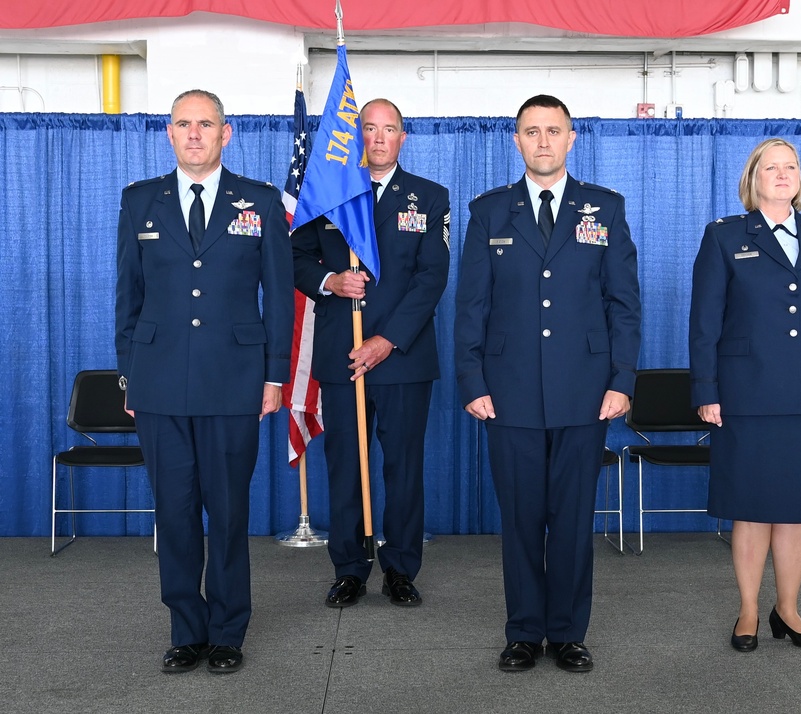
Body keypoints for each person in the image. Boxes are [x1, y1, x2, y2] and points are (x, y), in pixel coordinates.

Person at [454, 94, 641, 673]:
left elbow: (624, 306)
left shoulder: (603, 208)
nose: (542, 141)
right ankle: (522, 631)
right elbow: (471, 307)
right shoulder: (489, 211)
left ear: (571, 138)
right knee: (520, 520)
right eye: (531, 132)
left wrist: (622, 380)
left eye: (553, 131)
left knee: (572, 517)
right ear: (516, 140)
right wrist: (472, 379)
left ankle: (567, 632)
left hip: (585, 392)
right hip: (506, 393)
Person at [115, 89, 294, 674]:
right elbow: (128, 300)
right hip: (160, 383)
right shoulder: (140, 201)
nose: (195, 134)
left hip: (234, 382)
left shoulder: (260, 202)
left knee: (228, 510)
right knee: (174, 513)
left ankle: (227, 631)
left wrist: (274, 377)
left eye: (206, 124)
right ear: (169, 133)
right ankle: (185, 630)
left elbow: (280, 302)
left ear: (227, 132)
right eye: (183, 124)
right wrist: (130, 379)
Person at [688, 137, 801, 652]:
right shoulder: (724, 237)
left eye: (790, 167)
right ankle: (747, 612)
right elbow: (704, 322)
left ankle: (787, 609)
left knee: (797, 508)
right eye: (771, 167)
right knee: (752, 507)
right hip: (748, 393)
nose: (782, 174)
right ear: (753, 178)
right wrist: (706, 390)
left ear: (800, 178)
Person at [292, 98, 450, 609]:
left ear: (403, 138)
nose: (378, 138)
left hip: (402, 357)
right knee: (346, 466)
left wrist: (387, 340)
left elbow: (432, 279)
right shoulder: (330, 196)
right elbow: (294, 258)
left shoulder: (429, 198)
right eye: (369, 129)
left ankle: (401, 568)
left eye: (389, 129)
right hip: (343, 353)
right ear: (355, 136)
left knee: (403, 466)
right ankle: (350, 568)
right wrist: (331, 280)